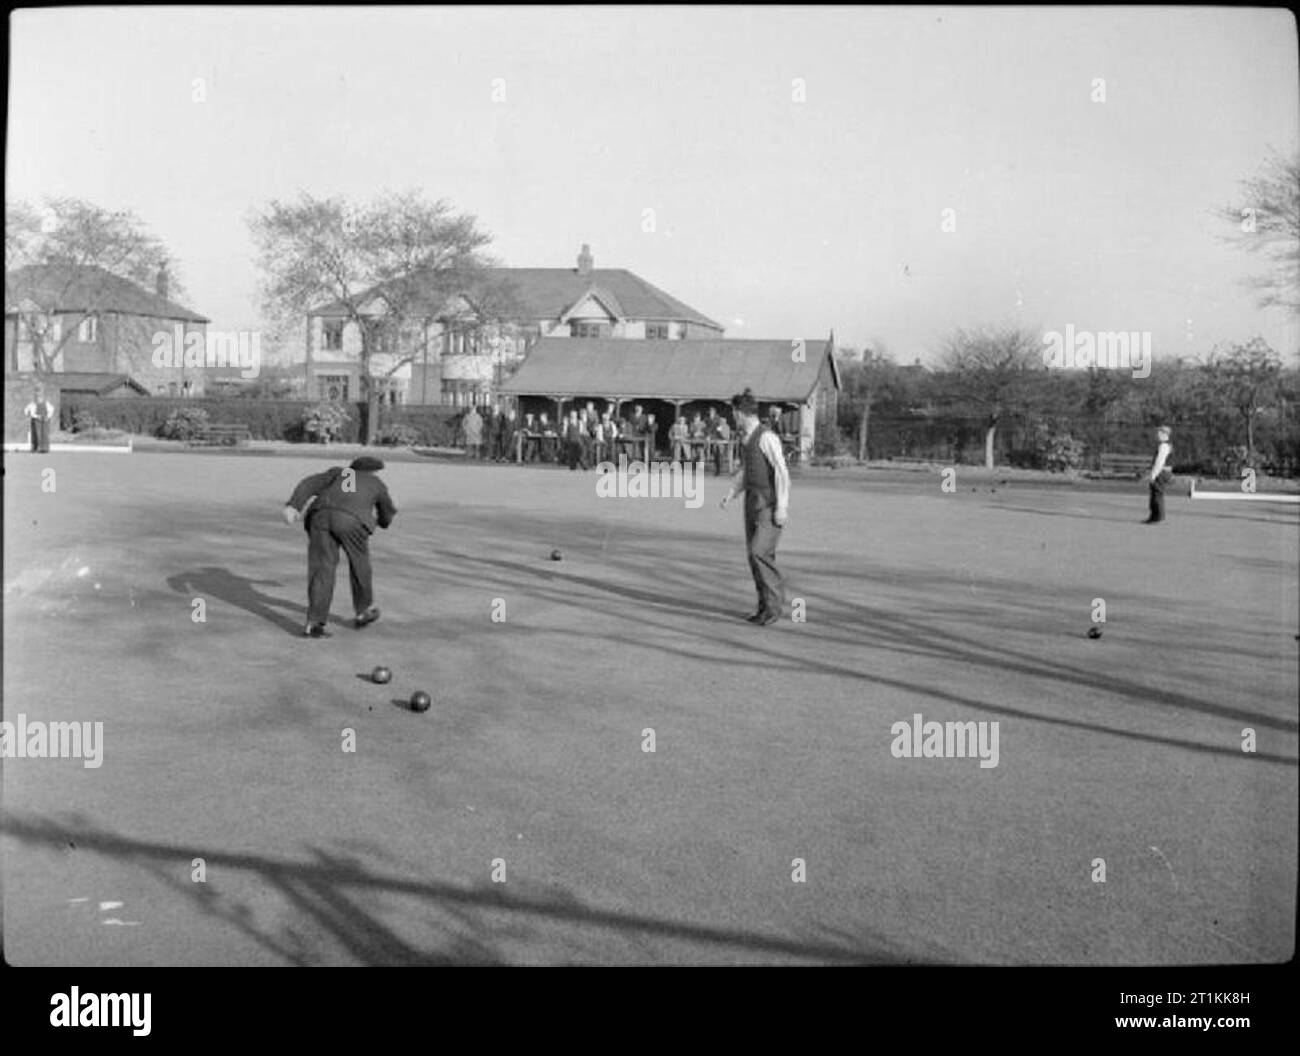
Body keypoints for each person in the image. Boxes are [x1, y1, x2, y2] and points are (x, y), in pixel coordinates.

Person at [283, 456, 397, 638]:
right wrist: (383, 522)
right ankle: (364, 610)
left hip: (320, 517)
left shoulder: (339, 473)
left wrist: (294, 506)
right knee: (360, 563)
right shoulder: (376, 483)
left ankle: (314, 622)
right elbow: (387, 511)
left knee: (322, 568)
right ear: (372, 471)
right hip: (352, 521)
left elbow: (309, 483)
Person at [720, 388, 790, 626]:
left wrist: (782, 508)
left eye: (733, 413)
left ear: (741, 413)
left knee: (759, 552)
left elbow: (782, 472)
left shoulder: (767, 437)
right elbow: (746, 470)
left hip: (768, 502)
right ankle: (763, 608)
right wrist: (732, 493)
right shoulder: (746, 438)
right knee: (754, 557)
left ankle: (774, 605)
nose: (732, 418)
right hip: (751, 499)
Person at [1144, 425, 1174, 524]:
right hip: (1161, 472)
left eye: (1159, 433)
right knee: (1154, 495)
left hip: (1161, 473)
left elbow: (1159, 462)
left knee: (1157, 495)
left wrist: (1153, 475)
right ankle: (1153, 517)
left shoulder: (1164, 446)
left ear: (1165, 434)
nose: (1157, 435)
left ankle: (1159, 517)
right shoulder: (1165, 445)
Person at [23, 385, 54, 454]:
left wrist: (48, 417)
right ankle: (36, 447)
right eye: (37, 397)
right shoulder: (33, 404)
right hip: (36, 421)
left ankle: (44, 448)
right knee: (36, 434)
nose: (38, 398)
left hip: (45, 421)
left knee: (45, 434)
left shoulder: (46, 403)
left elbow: (51, 410)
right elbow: (26, 410)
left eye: (39, 397)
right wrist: (33, 416)